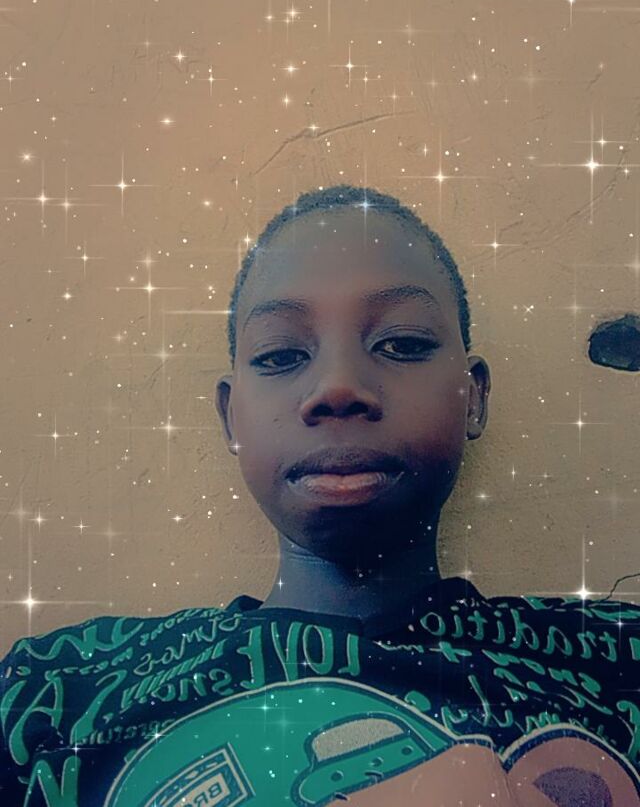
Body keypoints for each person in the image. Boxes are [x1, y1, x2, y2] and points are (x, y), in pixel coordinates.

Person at [1, 185, 639, 805]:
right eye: (281, 355)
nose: (337, 387)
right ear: (230, 416)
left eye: (402, 344)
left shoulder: (615, 665)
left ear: (472, 396)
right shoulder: (56, 695)